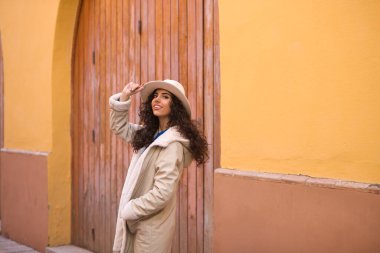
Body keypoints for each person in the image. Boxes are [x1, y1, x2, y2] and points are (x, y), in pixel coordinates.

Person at [109, 79, 208, 253]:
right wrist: (124, 96)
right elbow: (119, 127)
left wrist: (131, 209)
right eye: (155, 96)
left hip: (151, 228)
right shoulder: (150, 134)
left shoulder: (171, 144)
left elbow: (162, 193)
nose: (157, 100)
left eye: (165, 97)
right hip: (137, 221)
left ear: (175, 106)